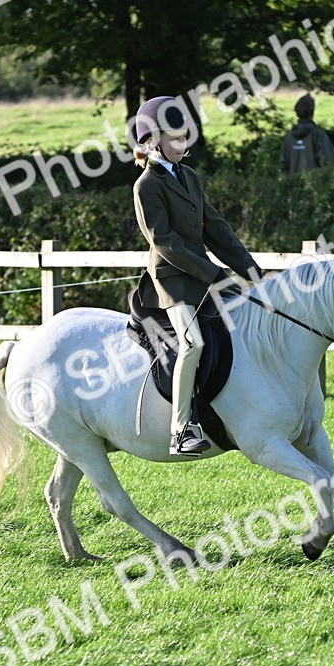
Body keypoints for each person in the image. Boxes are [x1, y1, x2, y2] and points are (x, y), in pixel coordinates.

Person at [132, 96, 263, 456]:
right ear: (153, 141)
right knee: (194, 344)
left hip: (204, 275)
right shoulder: (146, 186)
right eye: (175, 139)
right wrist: (214, 274)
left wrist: (252, 271)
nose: (183, 145)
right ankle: (180, 430)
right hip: (172, 282)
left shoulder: (189, 176)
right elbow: (166, 244)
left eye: (185, 137)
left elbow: (216, 229)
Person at [280, 94, 334, 175]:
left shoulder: (288, 138)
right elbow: (329, 162)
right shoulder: (318, 135)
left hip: (292, 185)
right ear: (313, 112)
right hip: (314, 185)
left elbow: (283, 165)